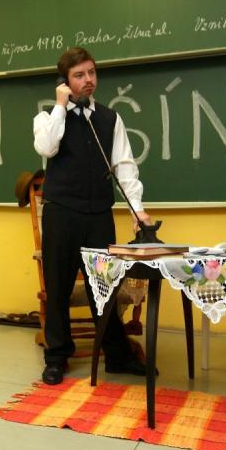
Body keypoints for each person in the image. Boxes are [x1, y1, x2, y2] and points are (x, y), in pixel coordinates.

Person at [33, 47, 151, 385]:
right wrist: (60, 106)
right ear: (64, 81)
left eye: (91, 73)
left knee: (105, 285)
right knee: (58, 286)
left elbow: (124, 166)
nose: (88, 80)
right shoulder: (47, 118)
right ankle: (57, 357)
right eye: (79, 75)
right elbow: (47, 148)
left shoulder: (111, 119)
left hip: (98, 213)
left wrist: (137, 208)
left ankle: (116, 354)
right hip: (61, 213)